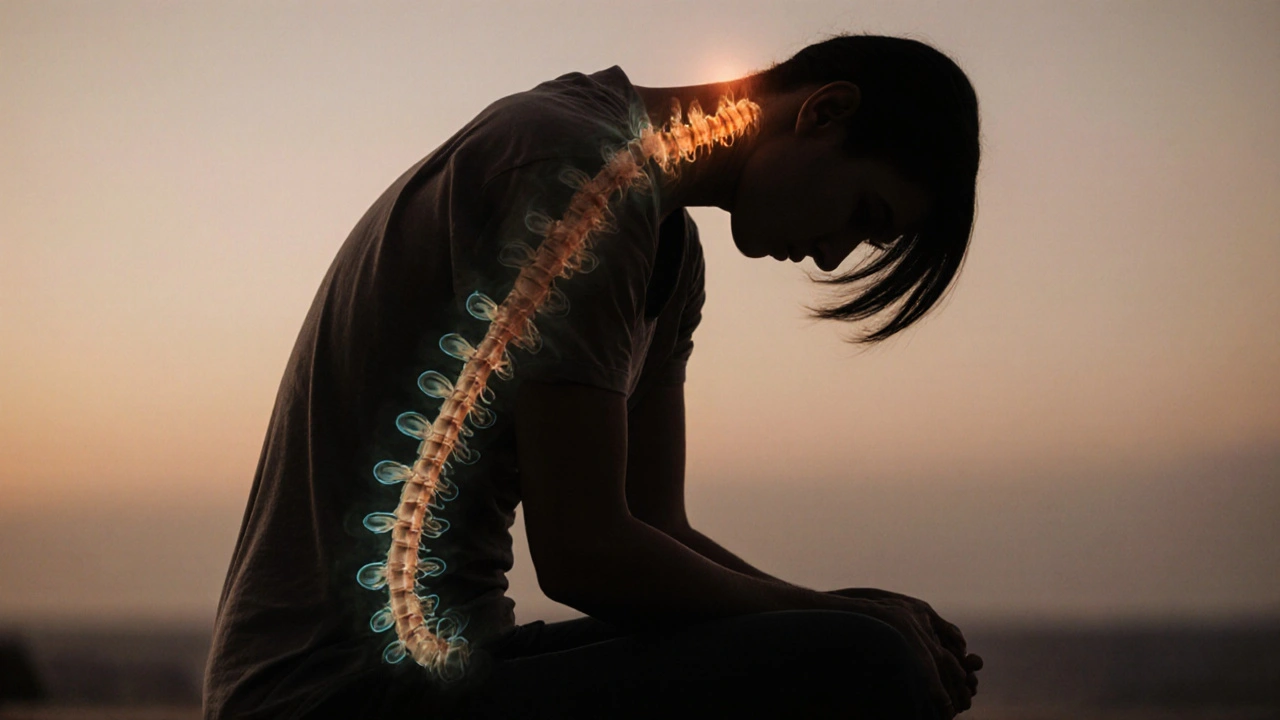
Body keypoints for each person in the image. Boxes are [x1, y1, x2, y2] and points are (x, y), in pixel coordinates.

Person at [203, 32, 983, 720]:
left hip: (464, 664)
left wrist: (847, 609)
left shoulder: (670, 259)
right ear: (825, 111)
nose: (832, 256)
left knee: (864, 646)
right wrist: (844, 626)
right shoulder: (577, 171)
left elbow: (653, 525)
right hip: (337, 691)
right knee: (867, 666)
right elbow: (586, 555)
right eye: (865, 215)